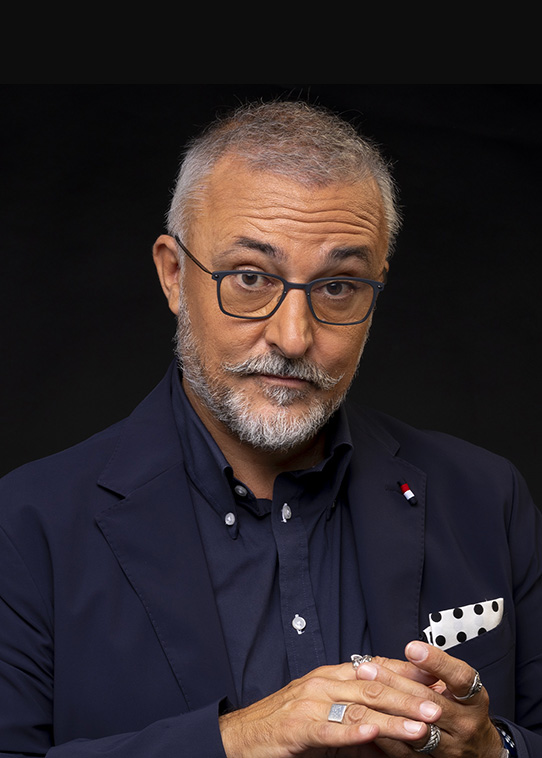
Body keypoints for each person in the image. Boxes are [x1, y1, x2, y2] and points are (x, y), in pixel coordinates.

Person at [0, 99, 540, 758]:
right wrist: (239, 738)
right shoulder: (23, 527)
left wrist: (493, 750)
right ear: (174, 275)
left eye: (338, 287)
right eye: (251, 278)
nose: (293, 337)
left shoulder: (488, 499)